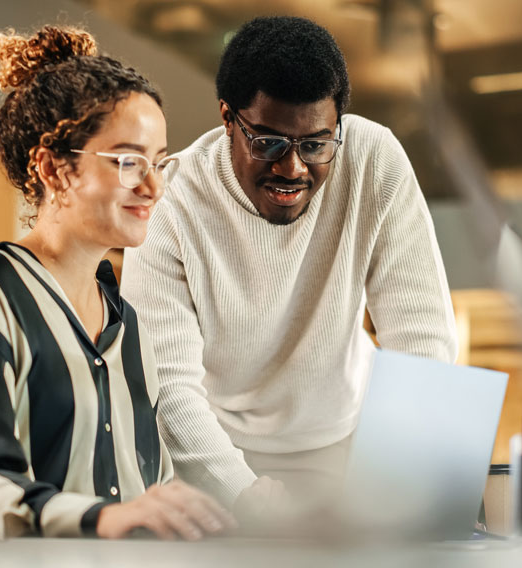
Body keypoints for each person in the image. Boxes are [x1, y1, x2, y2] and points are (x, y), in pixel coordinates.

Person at [0, 25, 236, 539]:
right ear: (53, 169)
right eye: (129, 161)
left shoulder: (129, 328)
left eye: (159, 163)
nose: (153, 186)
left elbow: (153, 491)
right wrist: (104, 520)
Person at [121, 16, 459, 511]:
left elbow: (422, 338)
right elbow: (169, 387)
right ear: (227, 118)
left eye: (316, 145)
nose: (293, 168)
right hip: (215, 455)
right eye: (268, 143)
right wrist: (246, 496)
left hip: (345, 443)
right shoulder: (172, 203)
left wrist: (399, 486)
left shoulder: (372, 160)